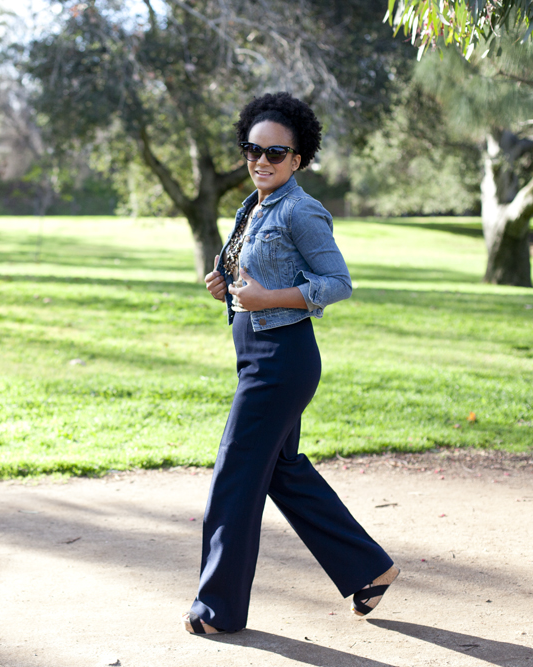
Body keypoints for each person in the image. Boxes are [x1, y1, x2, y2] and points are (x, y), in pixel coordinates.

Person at [182, 92, 399, 636]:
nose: (261, 160)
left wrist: (266, 298)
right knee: (282, 472)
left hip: (281, 362)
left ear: (297, 159)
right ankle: (368, 569)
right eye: (252, 150)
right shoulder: (252, 206)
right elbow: (252, 277)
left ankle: (218, 610)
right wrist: (227, 287)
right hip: (257, 356)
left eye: (275, 153)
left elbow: (338, 283)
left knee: (235, 475)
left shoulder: (301, 210)